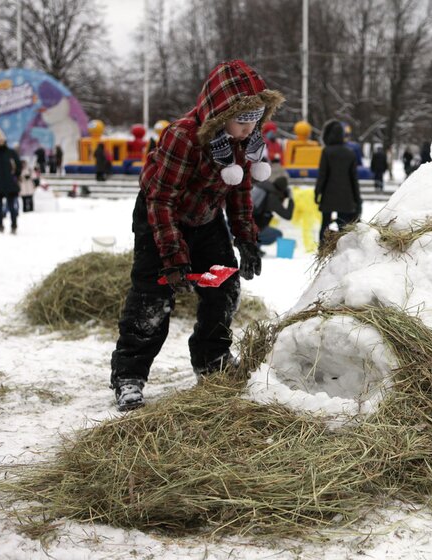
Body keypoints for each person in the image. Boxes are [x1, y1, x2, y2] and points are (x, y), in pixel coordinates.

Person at [110, 59, 284, 411]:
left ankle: (211, 357)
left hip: (205, 218)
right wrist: (174, 258)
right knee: (152, 297)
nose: (249, 129)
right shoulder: (183, 137)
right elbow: (161, 200)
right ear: (220, 115)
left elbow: (238, 191)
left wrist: (247, 239)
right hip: (159, 216)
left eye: (256, 120)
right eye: (242, 120)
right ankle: (129, 374)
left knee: (224, 285)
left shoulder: (243, 142)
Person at [315, 120, 361, 243]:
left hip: (328, 195)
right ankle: (341, 251)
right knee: (342, 226)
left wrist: (317, 192)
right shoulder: (350, 153)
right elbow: (354, 179)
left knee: (325, 224)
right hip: (346, 196)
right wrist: (357, 198)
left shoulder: (326, 151)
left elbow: (322, 175)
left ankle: (322, 246)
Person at [252, 176, 294, 248]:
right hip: (252, 227)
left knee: (262, 225)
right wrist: (291, 199)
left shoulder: (264, 188)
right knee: (277, 234)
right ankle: (254, 247)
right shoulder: (273, 197)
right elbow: (288, 215)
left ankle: (255, 247)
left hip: (246, 222)